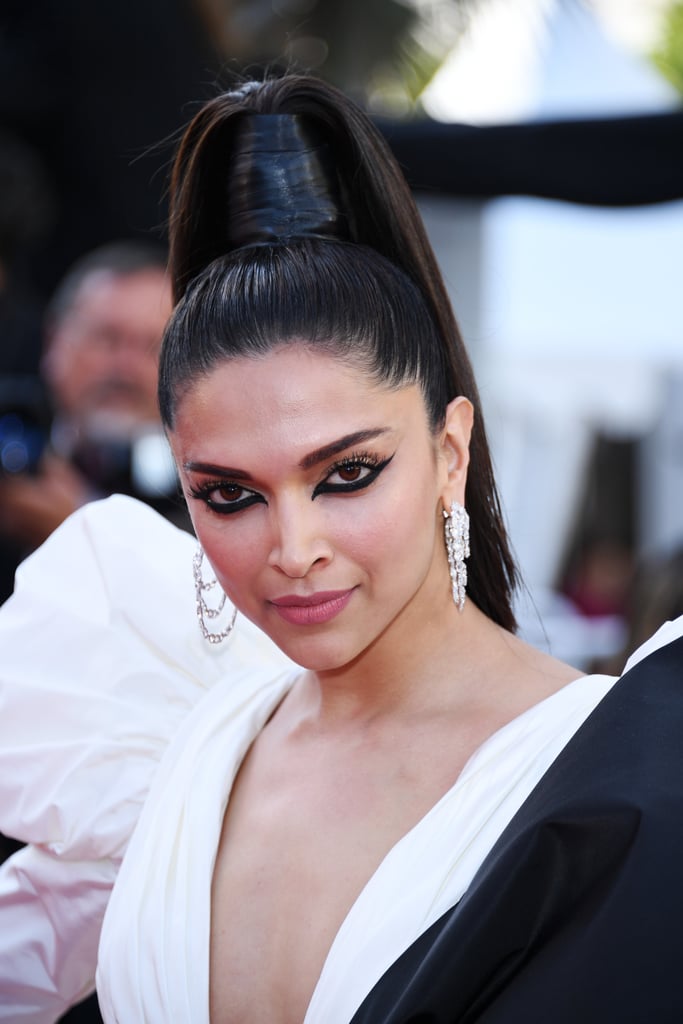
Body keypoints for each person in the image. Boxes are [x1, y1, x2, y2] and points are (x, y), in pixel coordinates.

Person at [0, 73, 682, 1024]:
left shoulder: (620, 773)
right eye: (229, 494)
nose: (293, 548)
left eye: (346, 475)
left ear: (450, 452)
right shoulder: (168, 736)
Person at [0, 240, 185, 603]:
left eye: (152, 346)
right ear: (54, 341)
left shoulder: (207, 485)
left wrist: (76, 530)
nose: (125, 368)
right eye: (106, 339)